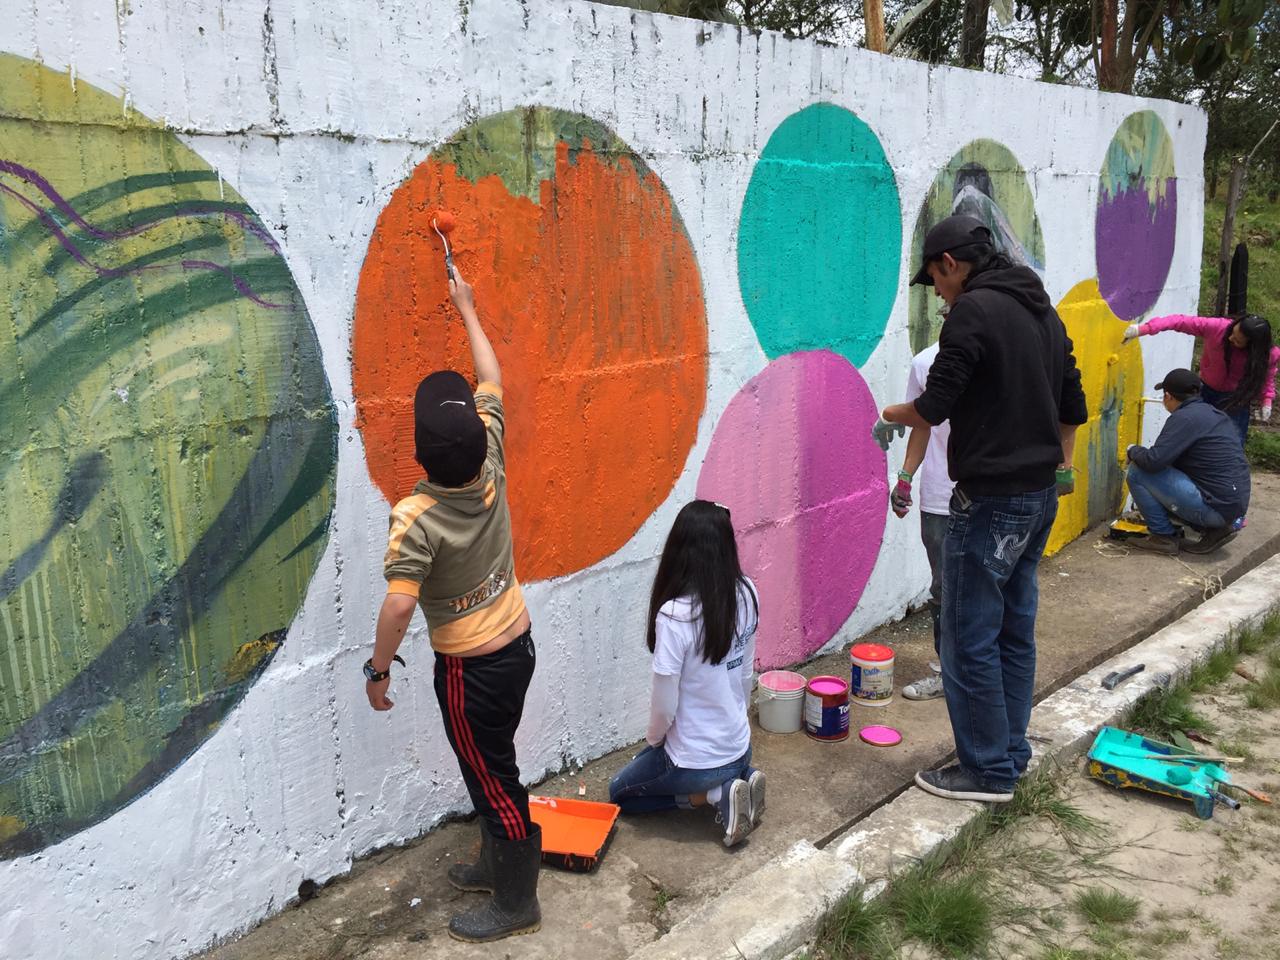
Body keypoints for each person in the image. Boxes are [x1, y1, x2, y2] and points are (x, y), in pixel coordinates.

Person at [873, 214, 1087, 804]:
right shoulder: (1042, 310)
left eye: (935, 282)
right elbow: (1074, 402)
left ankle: (986, 771)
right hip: (1039, 494)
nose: (938, 295)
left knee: (967, 637)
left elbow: (936, 404)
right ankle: (1009, 753)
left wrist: (888, 415)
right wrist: (1057, 462)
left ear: (950, 264)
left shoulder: (974, 309)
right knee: (1013, 632)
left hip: (991, 501)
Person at [364, 267, 541, 943]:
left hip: (472, 670)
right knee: (490, 765)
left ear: (422, 452)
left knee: (494, 779)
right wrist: (467, 308)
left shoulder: (417, 515)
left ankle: (517, 899)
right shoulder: (490, 459)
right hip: (519, 646)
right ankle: (498, 857)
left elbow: (399, 609)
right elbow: (490, 376)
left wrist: (378, 671)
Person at [608, 500, 764, 847]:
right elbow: (744, 678)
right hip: (739, 745)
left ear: (679, 550)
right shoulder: (747, 592)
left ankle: (716, 794)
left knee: (621, 793)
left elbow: (664, 708)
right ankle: (744, 776)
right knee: (652, 762)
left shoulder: (675, 615)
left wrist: (654, 742)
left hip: (699, 762)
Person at [884, 336, 956, 701]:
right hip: (939, 496)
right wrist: (905, 479)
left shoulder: (997, 347)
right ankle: (950, 671)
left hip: (987, 493)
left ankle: (977, 670)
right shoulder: (925, 363)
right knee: (943, 588)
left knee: (986, 588)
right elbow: (922, 424)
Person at [1125, 368, 1250, 556]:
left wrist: (1132, 450)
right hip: (1233, 507)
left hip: (1216, 508)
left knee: (1137, 471)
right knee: (1167, 472)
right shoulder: (1215, 414)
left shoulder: (1183, 418)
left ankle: (1163, 536)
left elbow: (1153, 462)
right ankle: (1215, 529)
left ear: (1167, 396)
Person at [1124, 313, 1277, 445]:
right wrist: (1143, 329)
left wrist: (1267, 400)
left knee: (1231, 443)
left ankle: (1228, 477)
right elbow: (1179, 321)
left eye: (1237, 341)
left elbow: (1265, 377)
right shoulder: (1218, 327)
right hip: (1204, 392)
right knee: (1191, 437)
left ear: (1252, 347)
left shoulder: (1269, 355)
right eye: (1232, 333)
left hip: (1235, 400)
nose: (1230, 338)